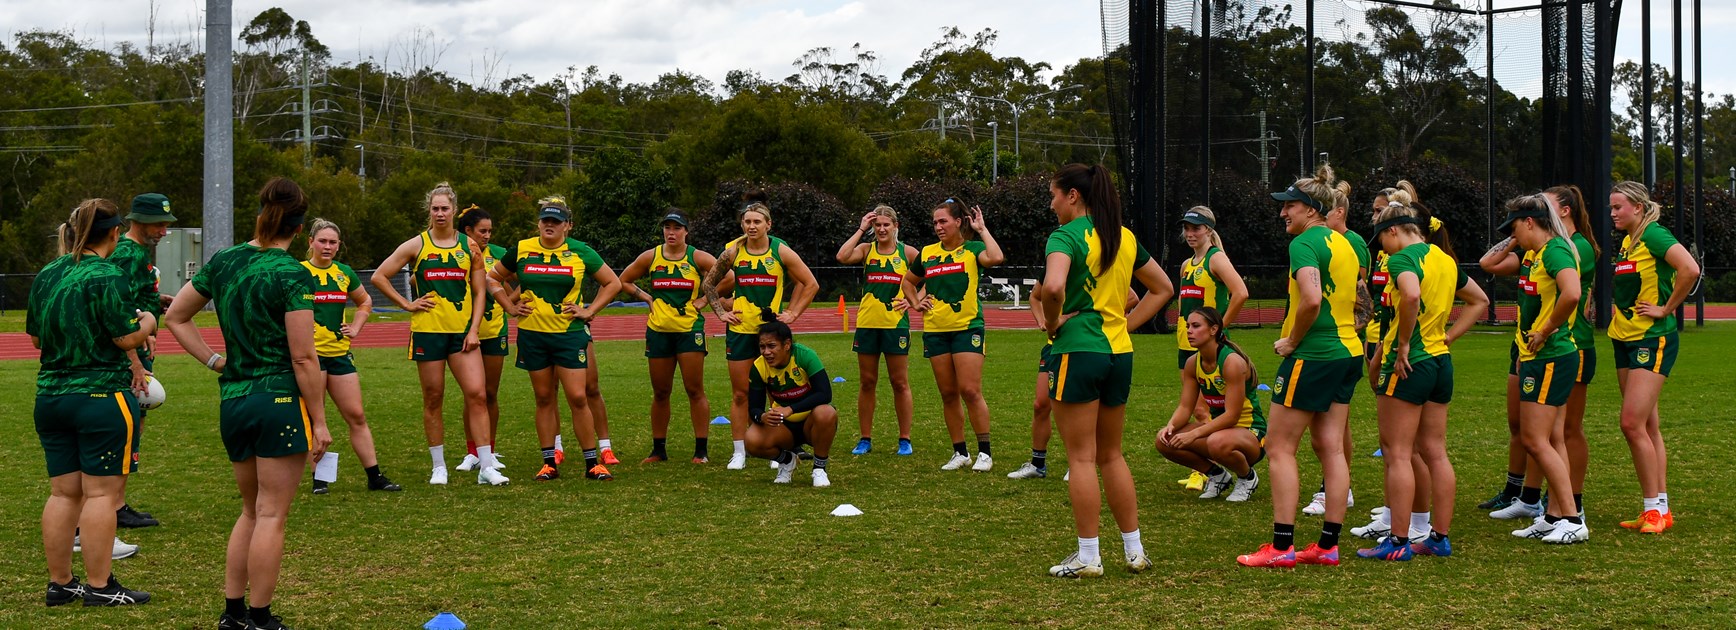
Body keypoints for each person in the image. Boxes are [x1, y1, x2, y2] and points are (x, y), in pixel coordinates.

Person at [164, 178, 334, 629]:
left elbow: (176, 316)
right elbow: (303, 355)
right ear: (299, 228)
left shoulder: (223, 260)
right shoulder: (293, 272)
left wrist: (215, 361)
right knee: (271, 514)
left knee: (249, 510)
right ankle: (260, 618)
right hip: (276, 398)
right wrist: (319, 421)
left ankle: (233, 613)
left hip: (235, 398)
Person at [1037, 163, 1172, 578]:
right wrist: (1124, 325)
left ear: (1073, 196)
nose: (1052, 202)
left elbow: (1054, 288)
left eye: (1054, 194)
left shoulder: (1064, 236)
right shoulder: (1124, 236)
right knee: (1111, 455)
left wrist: (1053, 321)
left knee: (1080, 458)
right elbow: (1163, 288)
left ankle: (1089, 556)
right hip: (1119, 352)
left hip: (1078, 350)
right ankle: (1134, 551)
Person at [31, 199, 158, 607]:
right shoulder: (109, 273)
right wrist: (149, 322)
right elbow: (125, 338)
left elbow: (36, 339)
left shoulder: (49, 272)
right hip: (100, 395)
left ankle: (61, 584)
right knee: (101, 495)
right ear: (115, 233)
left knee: (63, 493)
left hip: (50, 395)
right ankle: (101, 587)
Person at [1237, 164, 1364, 569]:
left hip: (1315, 356)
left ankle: (1281, 547)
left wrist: (1293, 340)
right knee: (1330, 448)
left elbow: (1310, 300)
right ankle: (1327, 546)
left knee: (1278, 448)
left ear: (1311, 209)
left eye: (1289, 205)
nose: (1282, 213)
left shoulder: (1305, 243)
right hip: (1348, 351)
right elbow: (1361, 301)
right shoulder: (1345, 243)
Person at [1355, 201, 1487, 560]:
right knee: (1435, 452)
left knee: (1397, 453)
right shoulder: (1443, 258)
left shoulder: (1401, 259)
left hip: (1410, 365)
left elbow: (1411, 294)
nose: (1380, 247)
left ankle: (1398, 542)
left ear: (1393, 230)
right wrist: (1448, 337)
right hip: (1440, 363)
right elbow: (1480, 300)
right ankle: (1438, 537)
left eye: (1380, 237)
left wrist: (1401, 346)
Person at [370, 182, 503, 486]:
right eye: (435, 208)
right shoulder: (416, 244)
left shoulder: (469, 246)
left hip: (462, 335)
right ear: (429, 211)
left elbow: (480, 292)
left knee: (477, 395)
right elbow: (379, 276)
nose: (440, 213)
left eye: (445, 208)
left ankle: (486, 466)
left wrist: (473, 330)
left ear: (454, 211)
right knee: (433, 398)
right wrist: (407, 304)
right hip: (428, 332)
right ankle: (438, 466)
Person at [490, 197, 623, 482]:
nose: (549, 225)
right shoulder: (522, 249)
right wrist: (509, 307)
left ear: (568, 226)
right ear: (538, 223)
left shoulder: (580, 252)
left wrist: (589, 310)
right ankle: (549, 462)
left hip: (568, 335)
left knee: (577, 396)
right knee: (544, 397)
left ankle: (592, 463)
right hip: (533, 336)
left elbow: (613, 283)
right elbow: (492, 279)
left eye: (556, 221)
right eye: (545, 220)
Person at [700, 190, 820, 470]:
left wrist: (793, 313)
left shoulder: (780, 250)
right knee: (741, 393)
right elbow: (708, 285)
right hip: (741, 331)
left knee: (776, 391)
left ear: (769, 224)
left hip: (771, 334)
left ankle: (777, 446)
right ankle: (739, 450)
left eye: (757, 221)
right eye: (747, 221)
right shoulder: (733, 251)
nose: (751, 226)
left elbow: (811, 283)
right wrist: (721, 313)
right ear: (742, 224)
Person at [1608, 180, 1700, 534]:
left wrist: (1667, 309)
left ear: (1639, 208)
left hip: (1652, 338)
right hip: (1624, 340)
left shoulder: (1654, 235)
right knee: (1647, 425)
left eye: (1618, 207)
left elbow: (1689, 269)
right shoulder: (1628, 242)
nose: (1613, 213)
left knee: (1631, 423)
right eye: (1611, 207)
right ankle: (1659, 507)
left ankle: (1653, 509)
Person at [1497, 194, 1588, 544]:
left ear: (1530, 222)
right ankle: (1553, 517)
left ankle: (1571, 518)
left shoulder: (1555, 252)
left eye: (1515, 226)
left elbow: (1572, 293)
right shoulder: (1538, 256)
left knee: (1535, 439)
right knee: (1548, 438)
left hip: (1553, 356)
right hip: (1540, 357)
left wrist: (1545, 330)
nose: (1514, 234)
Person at [902, 198, 1006, 472]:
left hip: (967, 328)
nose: (938, 227)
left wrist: (982, 230)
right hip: (935, 331)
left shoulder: (973, 250)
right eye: (935, 222)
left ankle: (985, 453)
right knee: (948, 393)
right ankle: (960, 452)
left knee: (970, 390)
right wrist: (914, 303)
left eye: (943, 221)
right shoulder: (927, 253)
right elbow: (908, 282)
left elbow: (996, 258)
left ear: (959, 222)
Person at [301, 219, 401, 495]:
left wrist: (356, 326)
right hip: (310, 357)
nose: (328, 246)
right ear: (310, 242)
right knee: (314, 418)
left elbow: (365, 301)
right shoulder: (297, 272)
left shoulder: (344, 273)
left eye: (333, 242)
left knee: (356, 415)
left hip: (340, 354)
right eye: (322, 241)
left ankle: (375, 476)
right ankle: (319, 480)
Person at [1299, 182, 1375, 516]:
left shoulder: (1351, 242)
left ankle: (1336, 490)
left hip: (1334, 344)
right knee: (1332, 425)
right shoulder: (1326, 240)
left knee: (1332, 428)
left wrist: (1347, 331)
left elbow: (1356, 296)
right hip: (1339, 343)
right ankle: (1335, 490)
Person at [618, 208, 717, 464]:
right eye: (667, 227)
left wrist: (705, 299)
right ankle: (658, 450)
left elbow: (727, 275)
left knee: (694, 390)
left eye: (677, 228)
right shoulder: (651, 256)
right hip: (659, 331)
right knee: (661, 392)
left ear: (686, 231)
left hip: (688, 331)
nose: (671, 232)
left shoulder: (697, 257)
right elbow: (624, 280)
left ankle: (701, 451)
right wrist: (645, 297)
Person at [108, 193, 175, 530]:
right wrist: (134, 360)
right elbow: (117, 309)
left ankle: (117, 503)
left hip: (141, 351)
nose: (164, 230)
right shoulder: (127, 253)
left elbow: (134, 298)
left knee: (135, 425)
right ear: (138, 220)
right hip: (130, 356)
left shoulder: (137, 252)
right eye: (159, 223)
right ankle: (112, 505)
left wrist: (155, 300)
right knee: (126, 426)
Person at [1172, 206, 1248, 491]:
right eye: (1187, 228)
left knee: (1206, 410)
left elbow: (1240, 292)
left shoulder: (1216, 259)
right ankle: (1210, 469)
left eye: (1197, 228)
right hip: (1186, 344)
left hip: (1209, 346)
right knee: (1193, 405)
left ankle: (1212, 471)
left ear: (1209, 230)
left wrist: (1219, 328)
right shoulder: (1186, 264)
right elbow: (1184, 303)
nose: (1191, 233)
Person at [1155, 307, 1266, 503]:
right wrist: (1171, 425)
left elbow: (1232, 415)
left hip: (1250, 433)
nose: (1189, 330)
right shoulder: (1192, 363)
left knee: (1216, 442)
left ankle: (1247, 478)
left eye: (1196, 326)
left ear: (1214, 330)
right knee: (1164, 440)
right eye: (1188, 325)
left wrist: (1195, 433)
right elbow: (1185, 407)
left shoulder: (1232, 362)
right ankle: (1217, 476)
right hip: (1219, 432)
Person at [835, 204, 920, 456]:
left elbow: (933, 276)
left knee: (899, 382)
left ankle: (904, 439)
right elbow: (841, 256)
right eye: (877, 225)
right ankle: (865, 438)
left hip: (895, 326)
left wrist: (914, 299)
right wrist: (861, 228)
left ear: (896, 226)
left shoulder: (908, 253)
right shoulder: (866, 250)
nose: (882, 229)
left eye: (886, 225)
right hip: (868, 324)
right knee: (867, 382)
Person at [745, 321, 840, 488]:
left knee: (827, 412)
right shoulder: (758, 367)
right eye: (762, 347)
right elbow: (754, 407)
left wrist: (791, 409)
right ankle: (787, 461)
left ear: (787, 344)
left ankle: (819, 468)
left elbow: (825, 393)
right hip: (784, 427)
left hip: (811, 423)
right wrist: (763, 416)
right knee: (752, 439)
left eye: (772, 346)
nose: (766, 352)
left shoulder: (805, 355)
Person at [457, 205, 510, 472]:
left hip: (494, 332)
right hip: (467, 333)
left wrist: (510, 302)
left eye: (490, 231)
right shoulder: (458, 253)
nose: (487, 236)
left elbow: (519, 278)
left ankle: (489, 448)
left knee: (490, 393)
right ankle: (472, 452)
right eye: (482, 231)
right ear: (468, 231)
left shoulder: (500, 254)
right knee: (472, 394)